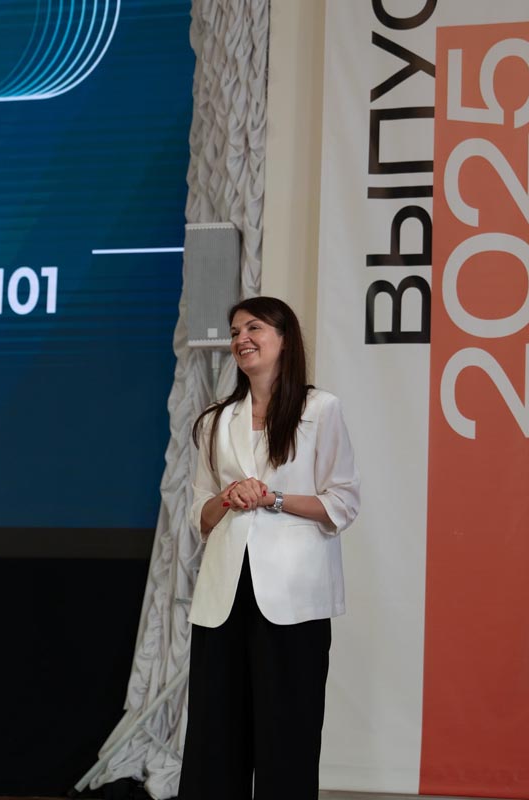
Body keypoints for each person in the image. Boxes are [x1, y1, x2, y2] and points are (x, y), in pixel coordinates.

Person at [178, 296, 360, 800]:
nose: (242, 339)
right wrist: (228, 496)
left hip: (293, 598)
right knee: (216, 738)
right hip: (223, 598)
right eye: (236, 331)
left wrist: (273, 498)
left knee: (288, 737)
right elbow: (199, 515)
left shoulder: (320, 410)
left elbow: (342, 503)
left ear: (284, 338)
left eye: (254, 328)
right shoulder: (216, 420)